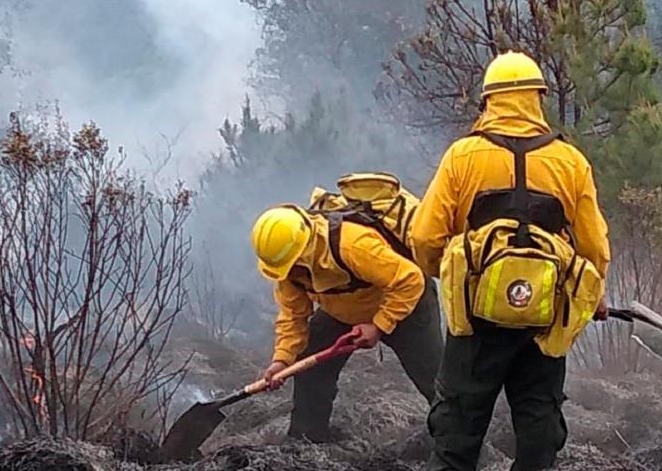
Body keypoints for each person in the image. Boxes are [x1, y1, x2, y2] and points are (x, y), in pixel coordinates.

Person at [412, 51, 611, 471]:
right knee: (539, 431)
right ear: (539, 98)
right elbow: (594, 246)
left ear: (489, 101)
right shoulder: (570, 161)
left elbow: (425, 236)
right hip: (545, 318)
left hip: (474, 322)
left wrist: (449, 276)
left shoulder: (462, 156)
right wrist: (594, 295)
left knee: (456, 432)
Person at [251, 204, 443, 442]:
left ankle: (459, 444)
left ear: (305, 248)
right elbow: (293, 316)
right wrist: (282, 360)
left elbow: (410, 281)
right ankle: (305, 441)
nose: (292, 273)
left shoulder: (353, 245)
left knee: (437, 381)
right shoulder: (287, 269)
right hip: (342, 310)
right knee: (311, 368)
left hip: (405, 303)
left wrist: (379, 325)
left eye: (293, 266)